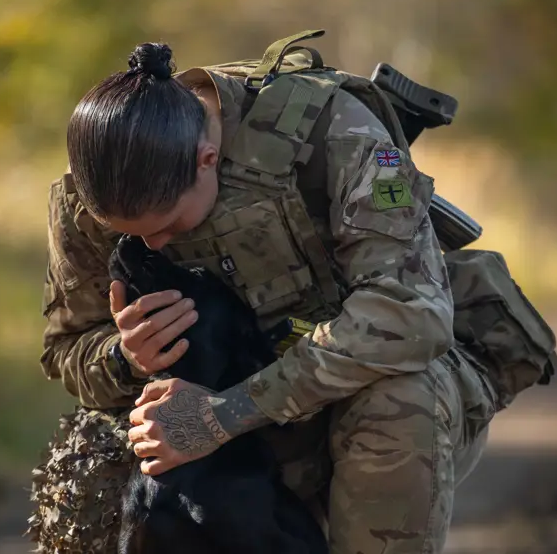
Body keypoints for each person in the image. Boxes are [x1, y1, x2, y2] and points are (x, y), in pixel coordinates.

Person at [37, 36, 518, 554]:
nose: (152, 245)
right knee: (90, 465)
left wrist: (225, 414)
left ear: (207, 159)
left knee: (399, 401)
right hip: (221, 433)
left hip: (351, 404)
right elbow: (65, 349)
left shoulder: (338, 130)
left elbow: (410, 317)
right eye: (129, 234)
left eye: (170, 224)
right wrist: (124, 356)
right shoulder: (96, 185)